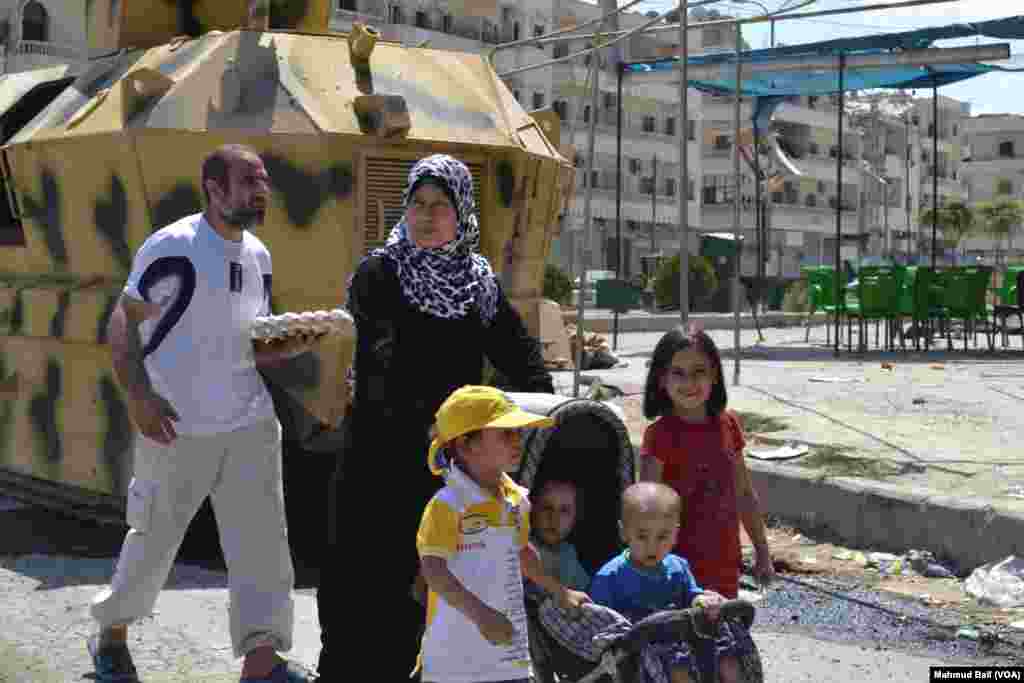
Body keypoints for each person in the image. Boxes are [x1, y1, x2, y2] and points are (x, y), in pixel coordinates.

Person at [316, 154, 555, 680]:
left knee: (433, 594)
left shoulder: (477, 284)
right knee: (364, 589)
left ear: (461, 212)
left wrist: (544, 410)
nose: (426, 216)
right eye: (417, 204)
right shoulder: (381, 273)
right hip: (378, 457)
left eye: (440, 205)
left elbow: (521, 356)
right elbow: (378, 365)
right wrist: (431, 423)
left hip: (448, 464)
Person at [88, 144, 319, 683]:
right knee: (153, 541)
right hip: (177, 424)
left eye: (263, 181)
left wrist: (292, 344)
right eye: (248, 181)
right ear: (214, 188)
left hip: (249, 424)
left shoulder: (258, 255)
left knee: (263, 545)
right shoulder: (174, 246)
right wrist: (138, 397)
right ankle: (111, 635)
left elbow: (250, 344)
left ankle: (262, 662)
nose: (261, 190)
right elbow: (124, 323)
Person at [416, 385, 590, 683]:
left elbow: (523, 553)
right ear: (465, 444)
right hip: (455, 662)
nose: (518, 440)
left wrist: (560, 591)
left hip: (508, 656)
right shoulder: (447, 505)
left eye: (519, 432)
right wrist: (482, 614)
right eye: (506, 433)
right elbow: (434, 572)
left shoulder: (516, 500)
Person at [638, 326, 774, 599]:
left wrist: (762, 552)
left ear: (714, 377)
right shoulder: (658, 437)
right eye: (678, 373)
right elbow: (646, 512)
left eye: (699, 372)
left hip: (724, 563)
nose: (689, 383)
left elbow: (744, 494)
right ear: (661, 379)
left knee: (722, 637)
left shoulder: (728, 425)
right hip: (675, 571)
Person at [589, 483, 738, 683]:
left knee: (725, 640)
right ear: (624, 533)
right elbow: (599, 623)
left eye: (662, 536)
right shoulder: (610, 576)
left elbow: (692, 594)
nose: (652, 546)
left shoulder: (678, 567)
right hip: (640, 648)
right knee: (676, 662)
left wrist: (702, 599)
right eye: (642, 536)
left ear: (675, 535)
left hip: (683, 635)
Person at [529, 479, 590, 592]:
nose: (554, 519)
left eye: (564, 511)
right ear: (533, 510)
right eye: (547, 508)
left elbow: (586, 591)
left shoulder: (569, 554)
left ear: (575, 518)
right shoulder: (524, 549)